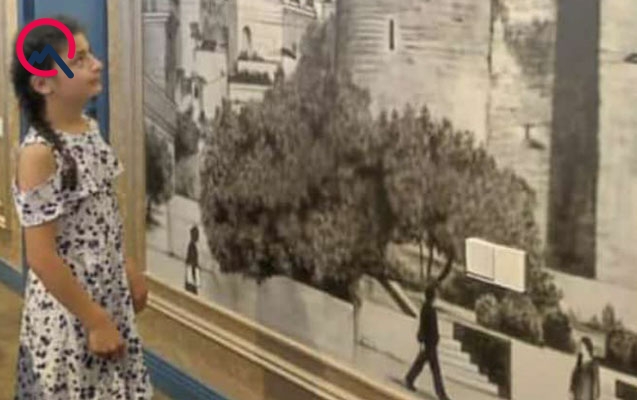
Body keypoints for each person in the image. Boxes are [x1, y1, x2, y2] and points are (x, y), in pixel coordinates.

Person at [10, 16, 153, 399]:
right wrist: (95, 320)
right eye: (79, 60)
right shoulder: (39, 154)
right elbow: (41, 257)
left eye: (90, 55)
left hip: (106, 297)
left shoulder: (88, 129)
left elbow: (102, 218)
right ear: (43, 83)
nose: (97, 64)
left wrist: (127, 265)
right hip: (69, 314)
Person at [405, 283, 451, 400]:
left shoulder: (426, 308)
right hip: (430, 343)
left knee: (421, 364)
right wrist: (431, 339)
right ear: (433, 295)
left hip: (429, 342)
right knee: (435, 369)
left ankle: (410, 379)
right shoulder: (429, 310)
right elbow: (429, 327)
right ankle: (441, 394)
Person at [185, 225, 201, 295]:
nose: (198, 236)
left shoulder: (193, 246)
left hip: (193, 271)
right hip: (192, 271)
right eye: (196, 234)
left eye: (198, 234)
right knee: (192, 291)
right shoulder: (191, 246)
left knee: (194, 291)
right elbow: (191, 262)